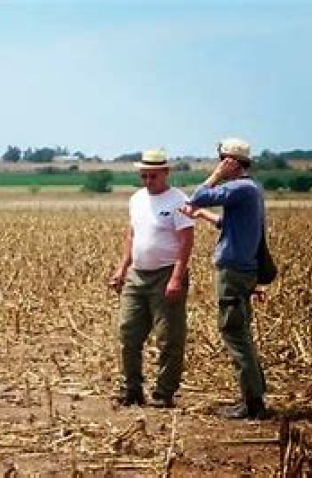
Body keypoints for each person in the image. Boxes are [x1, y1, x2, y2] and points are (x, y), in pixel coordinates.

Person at [180, 137, 268, 420]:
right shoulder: (252, 189)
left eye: (221, 160)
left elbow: (198, 195)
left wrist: (215, 177)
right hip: (244, 269)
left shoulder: (239, 187)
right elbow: (229, 224)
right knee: (241, 332)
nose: (218, 164)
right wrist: (202, 215)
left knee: (234, 333)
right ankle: (254, 394)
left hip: (233, 271)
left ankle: (252, 402)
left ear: (230, 162)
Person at [108, 150, 195, 408]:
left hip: (166, 273)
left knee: (168, 337)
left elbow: (186, 241)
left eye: (153, 176)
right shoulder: (136, 199)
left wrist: (177, 278)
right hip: (137, 273)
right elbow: (132, 236)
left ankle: (164, 392)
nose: (148, 181)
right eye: (144, 176)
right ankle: (131, 389)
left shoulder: (178, 201)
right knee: (127, 333)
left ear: (166, 173)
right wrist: (122, 268)